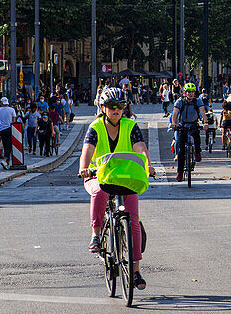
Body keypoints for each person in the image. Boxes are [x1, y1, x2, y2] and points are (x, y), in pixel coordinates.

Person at [78, 87, 155, 290]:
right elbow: (87, 150)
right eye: (111, 106)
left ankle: (136, 270)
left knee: (134, 221)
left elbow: (140, 148)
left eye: (120, 106)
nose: (116, 110)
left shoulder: (131, 126)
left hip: (126, 178)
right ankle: (95, 235)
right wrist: (84, 168)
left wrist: (148, 164)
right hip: (98, 176)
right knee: (99, 192)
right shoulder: (95, 128)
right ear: (103, 108)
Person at [170, 82, 206, 181]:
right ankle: (180, 173)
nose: (190, 94)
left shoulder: (197, 101)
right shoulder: (180, 101)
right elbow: (175, 113)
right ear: (185, 93)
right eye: (188, 92)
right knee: (181, 151)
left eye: (192, 92)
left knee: (197, 137)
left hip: (193, 124)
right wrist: (173, 123)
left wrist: (205, 122)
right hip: (183, 125)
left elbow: (202, 111)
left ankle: (198, 152)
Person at [0, 97, 16, 169]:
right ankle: (5, 160)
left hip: (1, 129)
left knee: (5, 145)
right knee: (9, 146)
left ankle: (8, 163)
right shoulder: (12, 110)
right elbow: (14, 119)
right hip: (9, 128)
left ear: (1, 103)